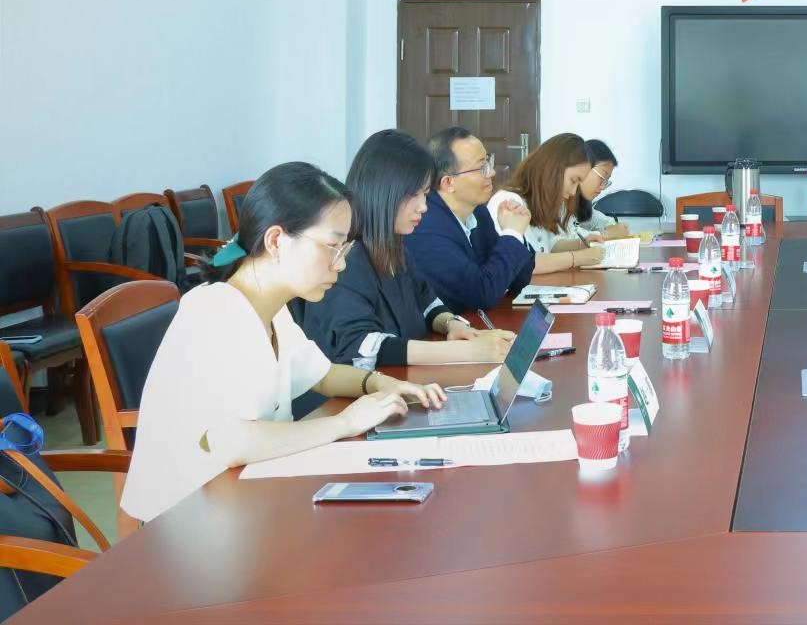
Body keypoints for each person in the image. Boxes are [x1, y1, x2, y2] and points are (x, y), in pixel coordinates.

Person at [122, 162, 446, 523]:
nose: (340, 265)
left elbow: (323, 375)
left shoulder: (271, 308)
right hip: (184, 519)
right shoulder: (214, 312)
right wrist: (345, 423)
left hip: (243, 497)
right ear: (276, 241)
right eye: (332, 246)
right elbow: (234, 442)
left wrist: (382, 384)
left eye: (344, 249)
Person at [299, 130, 516, 369]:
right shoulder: (345, 259)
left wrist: (451, 324)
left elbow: (426, 301)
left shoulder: (395, 248)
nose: (423, 207)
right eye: (414, 195)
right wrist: (466, 351)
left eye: (425, 194)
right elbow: (359, 346)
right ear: (384, 191)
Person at [405, 126, 537, 312]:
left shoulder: (478, 212)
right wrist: (512, 233)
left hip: (475, 323)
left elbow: (518, 281)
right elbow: (482, 294)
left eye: (488, 161)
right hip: (443, 327)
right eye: (481, 167)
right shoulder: (426, 227)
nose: (491, 172)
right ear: (448, 182)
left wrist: (516, 235)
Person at [488, 132, 605, 270]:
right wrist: (576, 258)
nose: (573, 192)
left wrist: (580, 244)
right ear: (552, 168)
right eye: (573, 180)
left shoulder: (540, 200)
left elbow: (548, 245)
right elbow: (524, 262)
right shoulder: (509, 203)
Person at [567, 139, 631, 242]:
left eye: (606, 181)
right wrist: (605, 234)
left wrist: (614, 227)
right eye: (602, 177)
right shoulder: (561, 198)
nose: (602, 187)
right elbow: (567, 237)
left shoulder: (581, 202)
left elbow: (598, 220)